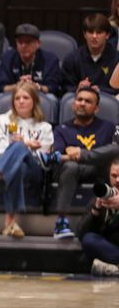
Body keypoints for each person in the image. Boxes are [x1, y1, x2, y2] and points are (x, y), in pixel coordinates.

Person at [0, 81, 53, 238]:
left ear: (34, 101)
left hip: (33, 170)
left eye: (25, 97)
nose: (21, 101)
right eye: (17, 98)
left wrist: (24, 145)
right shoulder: (0, 121)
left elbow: (46, 158)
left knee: (20, 147)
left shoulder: (44, 127)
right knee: (18, 166)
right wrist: (18, 146)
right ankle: (10, 222)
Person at [47, 86, 118, 240]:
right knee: (70, 166)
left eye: (88, 101)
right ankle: (61, 222)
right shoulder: (62, 129)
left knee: (116, 150)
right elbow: (58, 156)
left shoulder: (108, 127)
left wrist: (80, 153)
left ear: (96, 108)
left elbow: (114, 151)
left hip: (100, 169)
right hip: (70, 170)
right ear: (73, 104)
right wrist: (74, 156)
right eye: (79, 100)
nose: (82, 103)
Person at [0, 23, 62, 97]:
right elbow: (1, 87)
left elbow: (52, 87)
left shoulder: (50, 60)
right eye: (20, 42)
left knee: (51, 98)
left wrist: (37, 87)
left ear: (38, 44)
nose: (23, 46)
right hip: (14, 93)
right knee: (1, 97)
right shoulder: (7, 58)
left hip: (39, 94)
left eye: (28, 42)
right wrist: (19, 85)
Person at [79, 158, 119, 276]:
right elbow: (81, 233)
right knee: (89, 239)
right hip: (111, 247)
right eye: (114, 175)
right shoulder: (104, 194)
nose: (117, 180)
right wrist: (96, 209)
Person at [62, 13, 119, 97]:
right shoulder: (72, 58)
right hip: (79, 98)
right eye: (90, 32)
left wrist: (100, 90)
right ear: (85, 34)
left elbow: (117, 88)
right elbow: (65, 87)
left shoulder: (116, 58)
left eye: (99, 32)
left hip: (108, 99)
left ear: (107, 35)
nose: (94, 36)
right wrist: (78, 88)